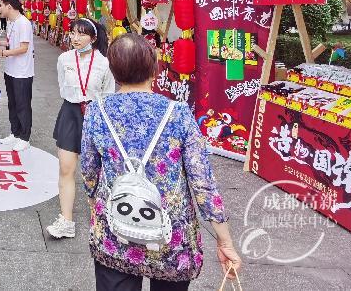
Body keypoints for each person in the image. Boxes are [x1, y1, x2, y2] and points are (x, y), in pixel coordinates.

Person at [81, 34, 242, 290]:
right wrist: (225, 242)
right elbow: (203, 184)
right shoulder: (178, 113)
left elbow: (89, 171)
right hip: (170, 236)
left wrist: (94, 203)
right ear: (154, 67)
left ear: (113, 71)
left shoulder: (96, 111)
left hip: (116, 227)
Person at [47, 18, 114, 239]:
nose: (75, 38)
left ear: (93, 38)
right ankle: (66, 221)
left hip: (95, 114)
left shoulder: (104, 63)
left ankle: (100, 219)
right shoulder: (64, 58)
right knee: (66, 169)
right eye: (73, 33)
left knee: (95, 171)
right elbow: (61, 86)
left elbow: (108, 94)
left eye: (81, 34)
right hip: (70, 113)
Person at [0, 0, 34, 152]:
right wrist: (0, 42)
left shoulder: (23, 23)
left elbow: (23, 48)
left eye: (1, 5)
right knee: (12, 104)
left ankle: (25, 137)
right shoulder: (11, 22)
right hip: (10, 70)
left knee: (23, 105)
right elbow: (12, 42)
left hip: (22, 72)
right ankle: (15, 133)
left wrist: (2, 53)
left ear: (9, 6)